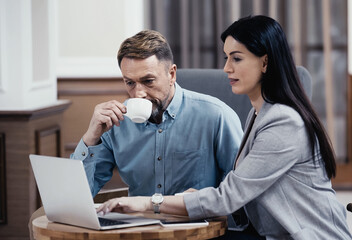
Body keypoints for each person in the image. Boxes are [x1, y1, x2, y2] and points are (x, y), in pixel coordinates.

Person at [97, 16, 352, 240]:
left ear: (265, 63)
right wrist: (195, 198)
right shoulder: (258, 115)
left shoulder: (283, 122)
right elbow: (239, 195)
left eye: (237, 58)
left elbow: (229, 197)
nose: (226, 68)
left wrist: (146, 203)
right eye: (226, 58)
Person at [70, 30, 243, 197]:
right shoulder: (116, 123)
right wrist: (90, 138)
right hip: (138, 225)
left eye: (148, 81)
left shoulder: (216, 116)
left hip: (197, 224)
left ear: (172, 74)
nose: (138, 93)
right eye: (130, 83)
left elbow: (240, 191)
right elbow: (77, 196)